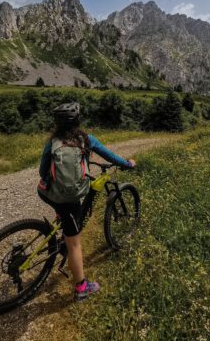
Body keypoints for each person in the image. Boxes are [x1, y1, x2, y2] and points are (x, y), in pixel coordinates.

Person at [37, 102, 136, 301]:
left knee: (64, 212)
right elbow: (111, 156)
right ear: (77, 121)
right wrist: (127, 164)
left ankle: (61, 217)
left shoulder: (53, 142)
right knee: (74, 243)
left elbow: (42, 171)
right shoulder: (86, 140)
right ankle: (82, 287)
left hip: (46, 193)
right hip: (69, 199)